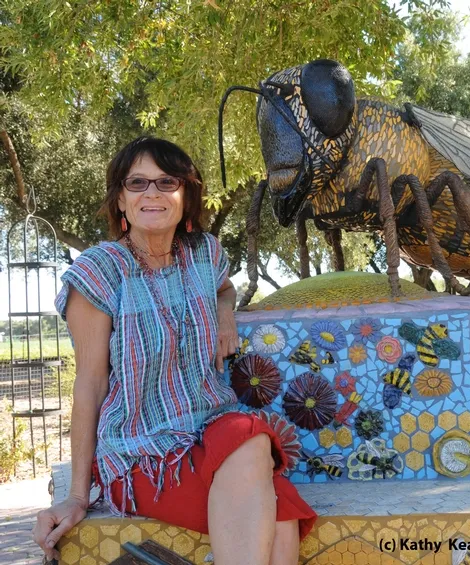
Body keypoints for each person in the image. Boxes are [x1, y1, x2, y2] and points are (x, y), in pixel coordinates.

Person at [32, 137, 317, 565]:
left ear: (186, 196)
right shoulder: (100, 272)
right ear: (121, 200)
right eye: (138, 183)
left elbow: (226, 288)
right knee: (277, 510)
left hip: (212, 423)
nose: (152, 193)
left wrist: (224, 313)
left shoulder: (205, 254)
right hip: (142, 451)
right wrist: (76, 494)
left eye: (167, 182)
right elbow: (89, 385)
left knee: (249, 433)